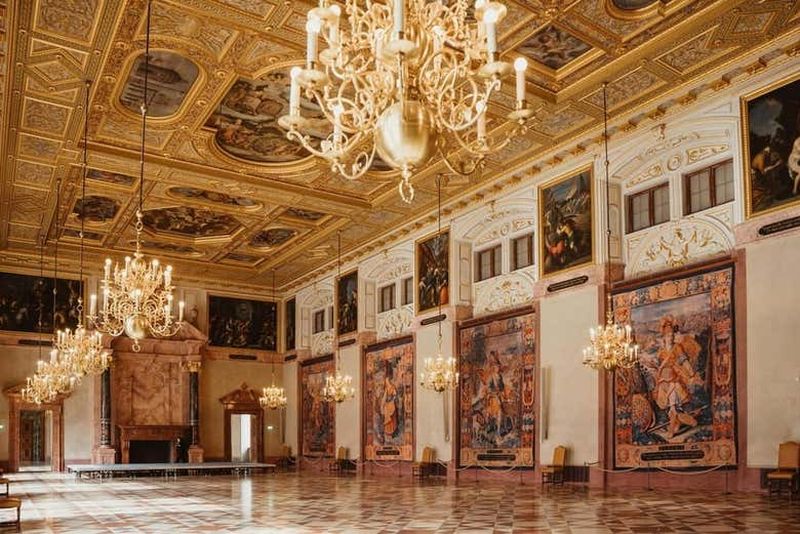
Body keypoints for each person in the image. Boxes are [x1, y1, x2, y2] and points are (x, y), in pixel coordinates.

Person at [652, 316, 703, 439]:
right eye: (669, 336)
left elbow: (684, 361)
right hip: (662, 380)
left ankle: (673, 426)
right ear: (664, 337)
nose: (671, 337)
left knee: (673, 401)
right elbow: (658, 365)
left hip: (675, 377)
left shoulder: (677, 347)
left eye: (672, 335)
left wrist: (691, 373)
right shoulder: (661, 351)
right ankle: (678, 421)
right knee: (668, 403)